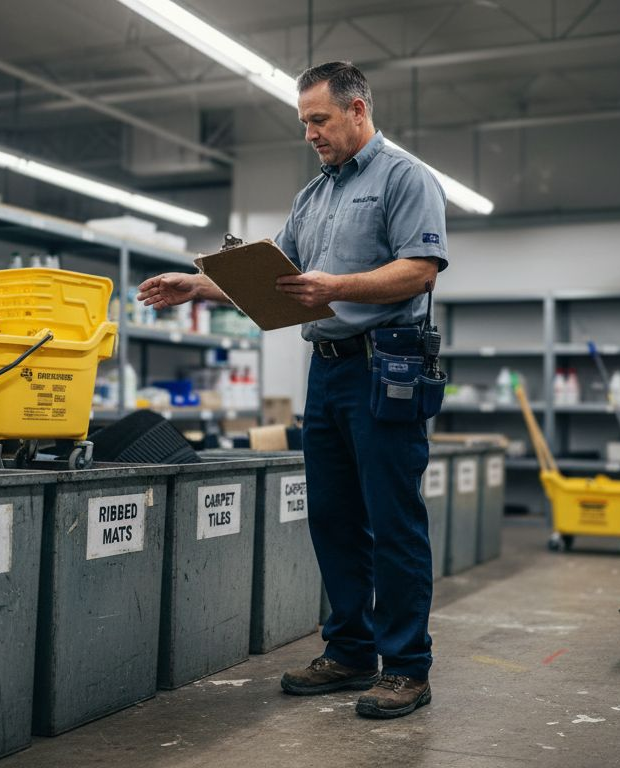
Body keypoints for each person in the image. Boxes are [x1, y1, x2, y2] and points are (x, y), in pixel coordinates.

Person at [137, 61, 447, 719]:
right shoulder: (315, 195)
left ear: (357, 111)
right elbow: (275, 278)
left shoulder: (405, 178)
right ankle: (351, 650)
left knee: (392, 519)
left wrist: (335, 286)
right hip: (327, 369)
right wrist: (199, 284)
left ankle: (408, 668)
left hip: (385, 366)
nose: (310, 132)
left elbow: (419, 271)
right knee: (333, 516)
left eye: (320, 119)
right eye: (304, 121)